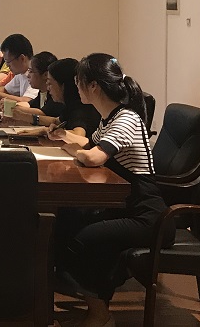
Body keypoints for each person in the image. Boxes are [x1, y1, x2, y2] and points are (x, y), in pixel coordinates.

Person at [49, 53, 171, 327]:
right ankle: (57, 298)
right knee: (66, 220)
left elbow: (93, 156)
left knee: (84, 238)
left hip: (147, 216)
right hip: (124, 206)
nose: (76, 87)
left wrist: (79, 151)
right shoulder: (109, 118)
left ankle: (100, 315)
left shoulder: (126, 119)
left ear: (93, 86)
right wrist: (62, 136)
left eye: (79, 82)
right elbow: (88, 145)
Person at [41, 58, 101, 137]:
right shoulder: (71, 104)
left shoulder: (81, 107)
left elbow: (79, 134)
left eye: (50, 83)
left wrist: (53, 132)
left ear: (63, 86)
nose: (48, 88)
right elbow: (56, 121)